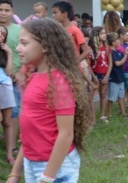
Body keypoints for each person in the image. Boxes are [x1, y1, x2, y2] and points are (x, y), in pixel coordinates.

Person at [6, 18, 90, 183]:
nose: (17, 48)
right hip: (32, 162)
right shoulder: (34, 77)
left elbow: (65, 135)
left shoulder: (59, 82)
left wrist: (47, 177)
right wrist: (15, 172)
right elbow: (29, 133)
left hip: (54, 168)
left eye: (24, 43)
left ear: (45, 46)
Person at [0, 0, 22, 157]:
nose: (3, 13)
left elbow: (27, 52)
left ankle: (12, 145)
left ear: (12, 12)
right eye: (0, 10)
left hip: (15, 77)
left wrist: (21, 72)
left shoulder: (19, 30)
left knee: (13, 112)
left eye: (7, 10)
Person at [89, 26, 113, 123]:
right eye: (102, 33)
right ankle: (91, 115)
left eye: (104, 33)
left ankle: (102, 115)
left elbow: (110, 62)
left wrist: (107, 75)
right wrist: (94, 77)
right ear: (96, 36)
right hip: (94, 73)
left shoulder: (107, 47)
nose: (104, 35)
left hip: (104, 73)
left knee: (103, 94)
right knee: (92, 95)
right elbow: (88, 64)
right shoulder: (91, 48)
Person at [0, 24, 16, 165]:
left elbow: (9, 72)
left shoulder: (6, 51)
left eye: (3, 34)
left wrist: (9, 53)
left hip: (4, 85)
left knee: (7, 121)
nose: (0, 35)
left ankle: (10, 153)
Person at [106, 33, 128, 118]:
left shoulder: (117, 51)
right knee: (112, 97)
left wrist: (126, 54)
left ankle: (123, 112)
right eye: (117, 40)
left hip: (120, 76)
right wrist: (124, 58)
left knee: (121, 96)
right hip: (114, 77)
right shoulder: (112, 52)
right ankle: (109, 113)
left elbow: (122, 61)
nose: (119, 41)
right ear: (113, 42)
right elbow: (118, 63)